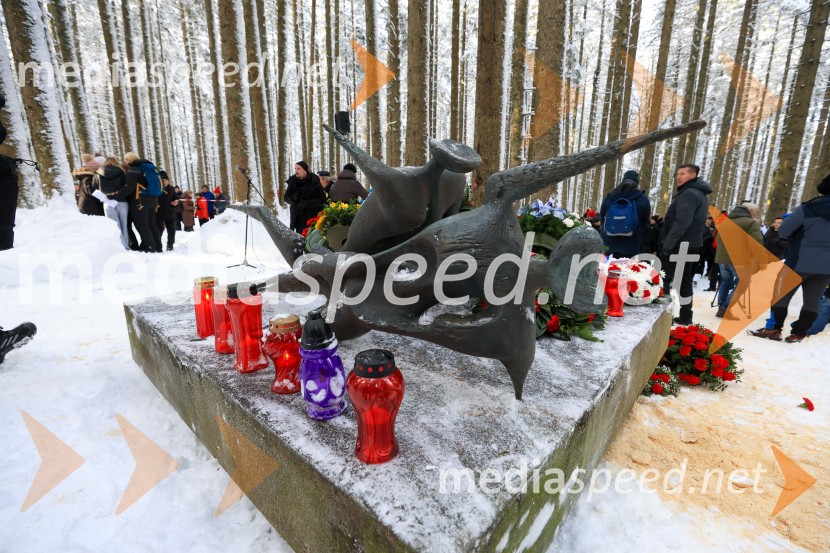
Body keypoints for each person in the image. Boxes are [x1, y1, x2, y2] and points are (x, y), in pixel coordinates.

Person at [752, 174, 830, 343]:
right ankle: (799, 333)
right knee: (813, 299)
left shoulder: (808, 208)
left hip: (799, 260)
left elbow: (785, 230)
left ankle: (774, 329)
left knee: (781, 294)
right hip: (826, 267)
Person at [659, 163, 713, 324]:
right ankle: (685, 316)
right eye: (677, 174)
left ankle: (662, 317)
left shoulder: (689, 194)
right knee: (684, 281)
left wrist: (667, 245)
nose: (678, 177)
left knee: (665, 279)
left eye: (683, 173)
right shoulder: (699, 193)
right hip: (690, 244)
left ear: (693, 175)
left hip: (679, 245)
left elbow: (681, 222)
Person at [713, 202, 763, 318]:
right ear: (750, 211)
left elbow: (719, 239)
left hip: (723, 257)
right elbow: (757, 243)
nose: (755, 215)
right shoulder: (750, 223)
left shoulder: (726, 221)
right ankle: (725, 308)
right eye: (755, 212)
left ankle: (722, 306)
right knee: (743, 283)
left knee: (726, 281)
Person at [599, 170, 650, 258]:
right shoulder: (642, 199)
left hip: (609, 242)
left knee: (608, 268)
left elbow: (602, 217)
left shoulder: (610, 197)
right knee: (628, 269)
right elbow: (645, 222)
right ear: (636, 183)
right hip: (632, 243)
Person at [124, 152, 163, 253]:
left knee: (142, 225)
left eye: (126, 159)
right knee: (151, 223)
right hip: (153, 198)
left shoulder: (134, 169)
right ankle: (158, 246)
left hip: (140, 200)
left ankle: (150, 246)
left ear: (128, 160)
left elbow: (129, 187)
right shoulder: (147, 166)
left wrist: (116, 195)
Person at [96, 156, 131, 249]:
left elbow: (95, 186)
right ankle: (126, 246)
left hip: (107, 201)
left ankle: (119, 247)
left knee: (114, 226)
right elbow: (125, 186)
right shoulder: (121, 172)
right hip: (122, 201)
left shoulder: (98, 173)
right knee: (124, 225)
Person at [285, 161, 326, 233]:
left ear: (305, 170)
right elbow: (286, 197)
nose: (296, 171)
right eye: (295, 168)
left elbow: (322, 200)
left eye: (298, 168)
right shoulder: (293, 181)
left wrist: (307, 204)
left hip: (312, 217)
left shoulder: (314, 181)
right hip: (297, 218)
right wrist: (293, 198)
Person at [156, 171, 178, 251]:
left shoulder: (172, 188)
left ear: (168, 180)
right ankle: (158, 244)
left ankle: (170, 244)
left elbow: (175, 197)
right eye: (162, 180)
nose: (164, 182)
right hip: (159, 212)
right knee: (159, 229)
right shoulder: (157, 188)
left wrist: (176, 201)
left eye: (165, 180)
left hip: (170, 212)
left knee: (171, 230)